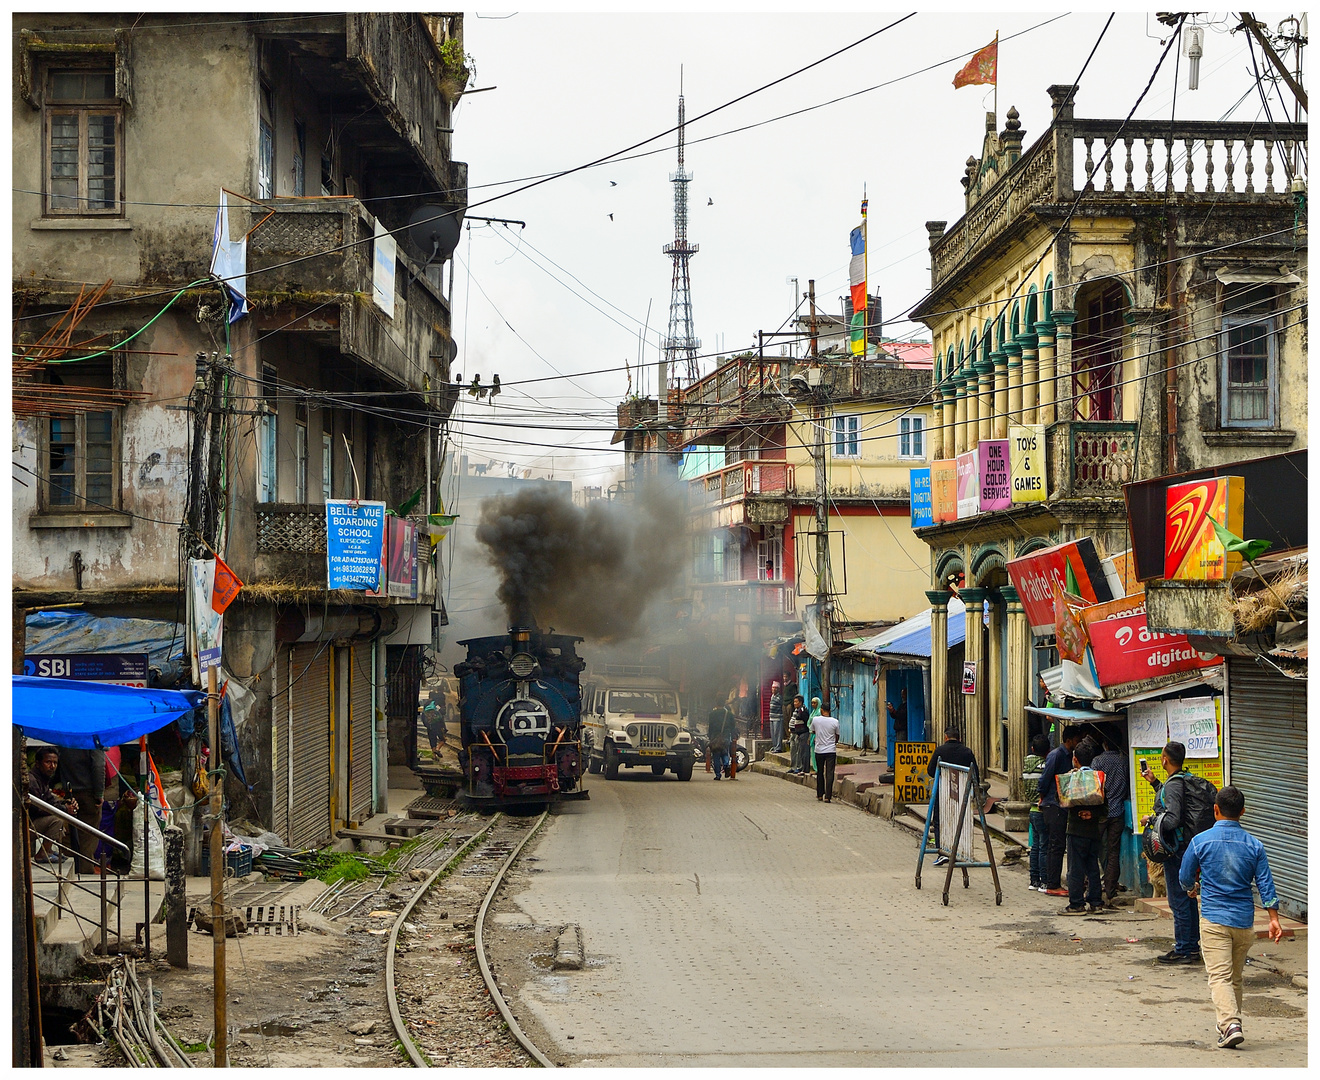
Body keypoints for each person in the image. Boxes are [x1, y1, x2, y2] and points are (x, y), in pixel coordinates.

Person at [1179, 785, 1284, 1050]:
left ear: (1215, 810)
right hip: (1243, 922)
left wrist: (1192, 889)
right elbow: (1266, 884)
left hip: (1214, 920)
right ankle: (1229, 1026)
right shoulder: (1255, 845)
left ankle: (1230, 1023)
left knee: (1219, 977)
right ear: (1243, 812)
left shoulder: (1200, 841)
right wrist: (1274, 918)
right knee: (1234, 977)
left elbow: (1184, 876)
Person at [1141, 740, 1213, 964]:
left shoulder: (1173, 785)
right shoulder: (1178, 779)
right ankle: (1190, 946)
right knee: (1187, 896)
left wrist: (1150, 819)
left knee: (1179, 899)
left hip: (1177, 850)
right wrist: (1154, 782)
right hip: (1186, 848)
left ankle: (1185, 948)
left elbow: (1172, 818)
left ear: (1164, 759)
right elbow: (1170, 802)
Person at [1035, 726, 1085, 897]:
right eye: (1078, 739)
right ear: (1069, 740)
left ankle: (1053, 881)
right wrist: (1043, 798)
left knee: (1058, 844)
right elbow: (1044, 780)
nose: (1079, 743)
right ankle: (1052, 883)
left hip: (1063, 805)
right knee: (1055, 845)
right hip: (1053, 805)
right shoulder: (1056, 755)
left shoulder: (1071, 757)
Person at [1060, 740, 1104, 915]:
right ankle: (1096, 902)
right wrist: (1092, 814)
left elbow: (1064, 801)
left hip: (1076, 830)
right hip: (1094, 830)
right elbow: (1104, 805)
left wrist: (1079, 812)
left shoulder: (1071, 777)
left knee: (1076, 868)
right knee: (1093, 866)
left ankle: (1077, 903)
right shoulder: (1098, 778)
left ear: (1075, 759)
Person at [925, 729, 978, 867]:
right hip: (962, 793)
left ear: (946, 737)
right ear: (959, 738)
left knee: (939, 821)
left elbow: (931, 771)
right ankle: (961, 851)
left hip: (943, 790)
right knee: (961, 821)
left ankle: (942, 852)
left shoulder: (940, 751)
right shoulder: (967, 752)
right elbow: (975, 773)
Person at [1091, 735, 1129, 906]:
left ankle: (1094, 888)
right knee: (1114, 852)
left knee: (1095, 848)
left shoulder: (1097, 761)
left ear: (1104, 743)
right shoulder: (1125, 761)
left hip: (1101, 812)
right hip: (1118, 811)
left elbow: (1092, 787)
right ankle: (1110, 890)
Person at [57, 746, 106, 875]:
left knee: (70, 834)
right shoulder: (93, 735)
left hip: (69, 791)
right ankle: (84, 870)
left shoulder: (65, 735)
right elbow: (98, 766)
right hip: (88, 793)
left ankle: (72, 871)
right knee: (87, 836)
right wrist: (99, 793)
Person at [27, 747, 73, 863]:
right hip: (25, 825)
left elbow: (50, 800)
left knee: (60, 815)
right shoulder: (32, 780)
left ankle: (49, 849)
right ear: (38, 764)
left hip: (33, 822)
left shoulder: (43, 779)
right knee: (57, 819)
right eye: (48, 762)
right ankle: (43, 853)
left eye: (55, 763)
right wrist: (63, 809)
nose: (52, 766)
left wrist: (65, 804)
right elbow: (37, 808)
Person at [1021, 734, 1050, 891]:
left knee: (1035, 847)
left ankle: (1034, 880)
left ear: (1032, 749)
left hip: (1031, 809)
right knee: (1044, 847)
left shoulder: (1027, 764)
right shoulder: (1046, 766)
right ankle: (1044, 881)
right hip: (1041, 808)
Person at [811, 706, 840, 802]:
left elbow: (813, 731)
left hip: (819, 750)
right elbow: (837, 736)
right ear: (829, 710)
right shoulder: (835, 721)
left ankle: (820, 794)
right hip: (831, 750)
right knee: (829, 773)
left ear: (821, 710)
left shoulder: (815, 720)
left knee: (820, 772)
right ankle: (828, 796)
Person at [706, 698, 734, 781]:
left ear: (716, 703)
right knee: (725, 752)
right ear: (724, 704)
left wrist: (710, 736)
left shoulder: (712, 714)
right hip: (725, 736)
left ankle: (718, 775)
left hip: (715, 737)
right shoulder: (729, 714)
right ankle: (726, 765)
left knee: (716, 756)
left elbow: (710, 726)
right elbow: (733, 726)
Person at [787, 695, 809, 774]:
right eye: (794, 702)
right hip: (792, 733)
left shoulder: (803, 710)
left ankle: (799, 767)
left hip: (798, 733)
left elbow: (806, 722)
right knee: (793, 751)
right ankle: (793, 767)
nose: (795, 703)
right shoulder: (795, 710)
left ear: (800, 702)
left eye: (796, 702)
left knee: (799, 751)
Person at [768, 682, 785, 753]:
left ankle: (778, 748)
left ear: (778, 689)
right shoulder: (772, 696)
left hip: (778, 718)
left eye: (775, 688)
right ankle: (775, 746)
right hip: (772, 717)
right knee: (773, 734)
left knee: (777, 733)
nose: (773, 689)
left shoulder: (779, 697)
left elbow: (779, 702)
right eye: (773, 688)